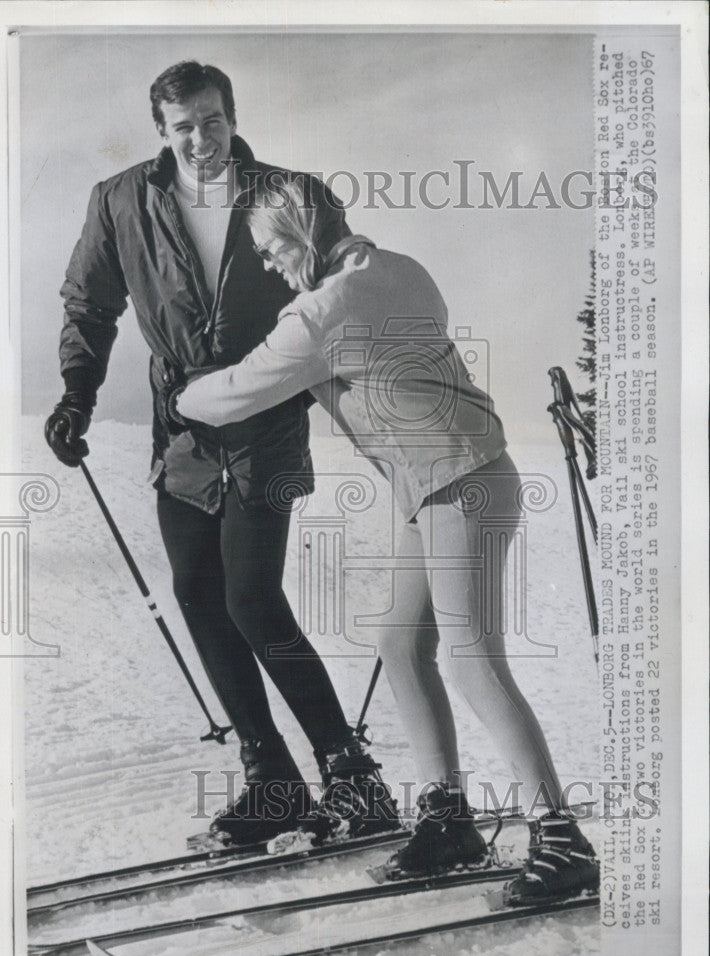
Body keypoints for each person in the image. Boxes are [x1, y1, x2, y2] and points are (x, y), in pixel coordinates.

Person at [173, 174, 600, 904]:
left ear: (303, 231)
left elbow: (241, 389)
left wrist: (180, 394)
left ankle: (562, 841)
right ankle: (447, 820)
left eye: (273, 249)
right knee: (402, 644)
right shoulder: (400, 269)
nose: (272, 266)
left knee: (471, 659)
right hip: (447, 479)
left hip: (457, 481)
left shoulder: (322, 311)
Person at [44, 62, 399, 847]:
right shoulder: (122, 200)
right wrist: (77, 392)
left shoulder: (292, 193)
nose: (199, 140)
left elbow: (348, 296)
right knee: (199, 593)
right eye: (182, 127)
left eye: (211, 121)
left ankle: (352, 775)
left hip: (268, 416)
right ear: (160, 133)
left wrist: (383, 416)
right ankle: (273, 782)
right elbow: (89, 303)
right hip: (182, 430)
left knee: (251, 596)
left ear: (232, 118)